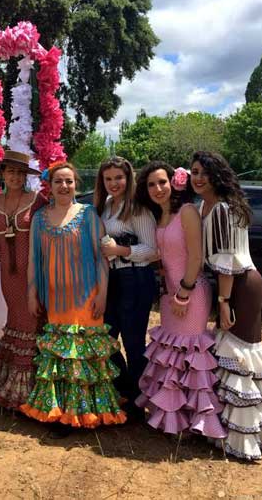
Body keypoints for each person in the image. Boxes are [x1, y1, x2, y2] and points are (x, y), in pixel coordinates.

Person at [190, 151, 262, 460]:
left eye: (204, 173)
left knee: (242, 354)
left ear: (217, 175)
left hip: (242, 285)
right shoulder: (204, 206)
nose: (198, 178)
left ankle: (253, 434)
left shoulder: (224, 209)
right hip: (228, 284)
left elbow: (226, 261)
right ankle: (228, 425)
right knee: (227, 351)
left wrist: (224, 302)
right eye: (194, 171)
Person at [20, 162, 126, 434]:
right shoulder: (40, 218)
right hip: (55, 298)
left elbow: (102, 257)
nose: (64, 186)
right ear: (50, 186)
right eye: (59, 182)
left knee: (83, 355)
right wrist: (32, 293)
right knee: (62, 357)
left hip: (86, 296)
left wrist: (103, 293)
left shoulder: (88, 214)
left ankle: (89, 411)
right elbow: (34, 259)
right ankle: (62, 412)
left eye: (69, 181)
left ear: (76, 184)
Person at [133, 162, 226, 440]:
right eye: (151, 184)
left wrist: (183, 293)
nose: (158, 189)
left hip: (191, 292)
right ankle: (174, 421)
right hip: (170, 294)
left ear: (174, 182)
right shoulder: (159, 217)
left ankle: (198, 423)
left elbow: (196, 258)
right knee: (173, 359)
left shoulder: (186, 211)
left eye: (162, 182)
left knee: (191, 356)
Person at [93, 157, 157, 422]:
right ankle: (123, 390)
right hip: (113, 279)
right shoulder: (106, 206)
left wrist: (122, 250)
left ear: (128, 178)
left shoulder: (138, 209)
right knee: (106, 339)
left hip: (136, 277)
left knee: (133, 343)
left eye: (118, 177)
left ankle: (137, 403)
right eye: (108, 179)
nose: (114, 183)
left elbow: (153, 250)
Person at [0, 151, 46, 409]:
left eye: (19, 172)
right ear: (2, 174)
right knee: (14, 320)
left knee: (31, 323)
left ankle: (30, 392)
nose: (14, 176)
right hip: (7, 278)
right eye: (10, 171)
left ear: (25, 176)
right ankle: (8, 385)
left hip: (32, 276)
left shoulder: (37, 201)